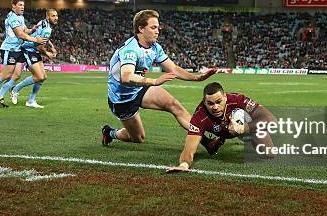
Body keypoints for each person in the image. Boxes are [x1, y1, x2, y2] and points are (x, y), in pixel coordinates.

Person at [101, 9, 217, 146]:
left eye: (158, 27)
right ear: (141, 29)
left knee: (174, 105)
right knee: (137, 138)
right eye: (153, 27)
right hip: (122, 98)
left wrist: (197, 78)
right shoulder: (130, 49)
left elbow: (173, 68)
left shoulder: (155, 47)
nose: (158, 31)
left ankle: (206, 141)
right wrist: (154, 81)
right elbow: (126, 76)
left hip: (140, 89)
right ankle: (109, 133)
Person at [166, 82, 275, 172]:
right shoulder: (199, 116)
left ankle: (247, 135)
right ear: (204, 102)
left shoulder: (238, 100)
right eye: (210, 103)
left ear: (225, 97)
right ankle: (211, 141)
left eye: (219, 102)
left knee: (269, 153)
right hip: (221, 131)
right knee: (192, 128)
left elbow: (271, 119)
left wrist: (243, 128)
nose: (215, 107)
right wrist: (184, 165)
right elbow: (189, 149)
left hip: (243, 127)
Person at [0, 0, 46, 108]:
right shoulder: (13, 18)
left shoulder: (21, 17)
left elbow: (25, 31)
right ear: (13, 6)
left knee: (17, 75)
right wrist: (35, 39)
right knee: (6, 74)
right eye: (20, 5)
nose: (22, 7)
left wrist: (33, 30)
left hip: (18, 49)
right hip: (9, 49)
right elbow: (20, 34)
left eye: (23, 5)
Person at [9, 8, 59, 108]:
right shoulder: (47, 29)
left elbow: (42, 37)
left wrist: (52, 46)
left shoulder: (43, 22)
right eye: (53, 16)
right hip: (28, 49)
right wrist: (48, 54)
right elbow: (40, 47)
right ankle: (15, 89)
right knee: (39, 76)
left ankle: (31, 101)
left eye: (56, 16)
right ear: (47, 17)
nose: (56, 18)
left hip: (33, 49)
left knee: (43, 77)